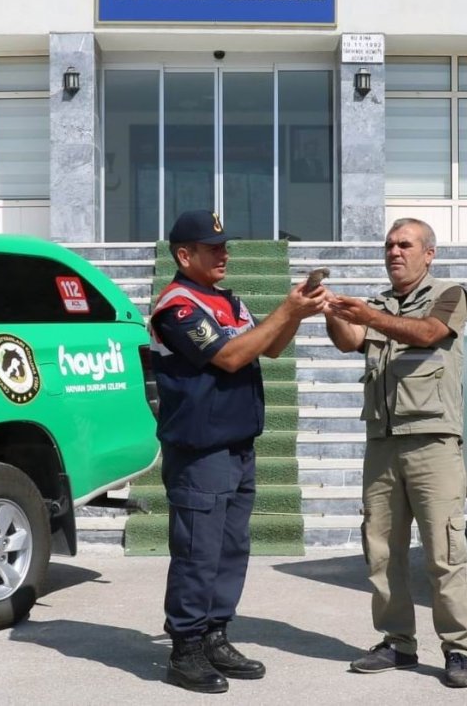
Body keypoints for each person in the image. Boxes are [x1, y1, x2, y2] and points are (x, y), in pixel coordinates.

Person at [149, 209, 327, 694]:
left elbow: (267, 348)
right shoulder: (178, 306)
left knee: (230, 549)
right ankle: (185, 649)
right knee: (197, 552)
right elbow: (228, 356)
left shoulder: (225, 299)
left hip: (236, 444)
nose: (224, 253)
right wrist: (286, 312)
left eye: (224, 245)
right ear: (184, 255)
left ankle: (214, 635)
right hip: (199, 449)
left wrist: (298, 314)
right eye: (212, 247)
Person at [324, 217, 467, 689]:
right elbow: (351, 341)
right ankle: (397, 642)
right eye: (389, 245)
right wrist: (328, 310)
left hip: (433, 443)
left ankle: (458, 650)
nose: (394, 252)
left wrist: (367, 316)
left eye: (404, 244)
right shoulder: (378, 304)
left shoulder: (450, 294)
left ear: (428, 253)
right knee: (382, 550)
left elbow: (428, 333)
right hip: (383, 445)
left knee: (444, 551)